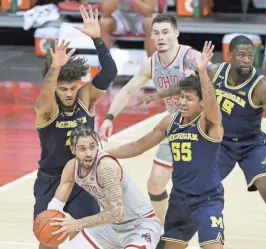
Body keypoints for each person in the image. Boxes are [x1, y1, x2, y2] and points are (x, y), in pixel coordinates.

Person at [137, 35, 266, 242]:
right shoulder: (215, 71)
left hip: (251, 145)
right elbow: (188, 85)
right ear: (230, 55)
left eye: (250, 55)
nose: (246, 59)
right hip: (221, 144)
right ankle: (175, 240)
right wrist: (158, 95)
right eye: (241, 55)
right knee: (197, 191)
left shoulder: (261, 87)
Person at [108, 41, 225, 249]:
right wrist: (106, 154)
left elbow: (212, 102)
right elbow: (138, 146)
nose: (182, 102)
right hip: (179, 199)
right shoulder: (170, 122)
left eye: (188, 99)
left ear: (202, 103)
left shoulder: (209, 124)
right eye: (181, 97)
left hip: (207, 199)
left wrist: (203, 72)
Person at [99, 13, 206, 226]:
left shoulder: (191, 57)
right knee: (155, 184)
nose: (161, 37)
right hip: (175, 124)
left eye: (166, 32)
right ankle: (167, 228)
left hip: (201, 126)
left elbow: (218, 86)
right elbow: (128, 91)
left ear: (176, 33)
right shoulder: (151, 64)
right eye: (156, 33)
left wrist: (201, 76)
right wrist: (109, 118)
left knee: (193, 186)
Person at [33, 5, 117, 249]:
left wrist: (98, 39)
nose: (69, 94)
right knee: (49, 238)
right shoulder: (48, 107)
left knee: (85, 239)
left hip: (82, 180)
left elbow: (110, 71)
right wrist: (55, 67)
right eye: (63, 88)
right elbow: (43, 97)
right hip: (52, 181)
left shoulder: (85, 97)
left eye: (73, 87)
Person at [48, 122, 162, 249]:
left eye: (92, 147)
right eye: (82, 149)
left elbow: (117, 213)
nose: (89, 153)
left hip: (140, 225)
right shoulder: (71, 167)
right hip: (110, 228)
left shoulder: (105, 167)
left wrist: (77, 224)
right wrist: (50, 222)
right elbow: (56, 204)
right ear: (73, 149)